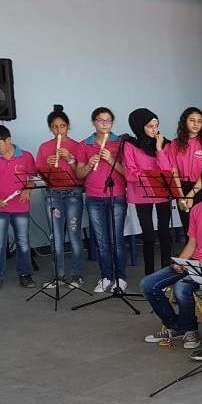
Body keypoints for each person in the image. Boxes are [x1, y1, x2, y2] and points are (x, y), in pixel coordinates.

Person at [139, 165, 202, 353]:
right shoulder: (196, 210)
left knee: (181, 287)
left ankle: (190, 331)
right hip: (193, 262)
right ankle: (176, 326)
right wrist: (180, 262)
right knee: (148, 284)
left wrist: (201, 263)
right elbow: (192, 243)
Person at [76, 107, 128, 292]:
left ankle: (120, 278)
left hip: (117, 196)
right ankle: (106, 276)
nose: (105, 124)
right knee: (101, 240)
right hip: (93, 197)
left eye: (108, 120)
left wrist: (111, 159)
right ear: (93, 122)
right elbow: (79, 174)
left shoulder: (120, 143)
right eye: (100, 120)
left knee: (116, 239)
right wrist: (89, 165)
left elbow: (128, 173)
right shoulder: (84, 145)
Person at [0, 124, 36, 291]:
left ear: (8, 140)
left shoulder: (26, 156)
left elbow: (33, 178)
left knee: (23, 242)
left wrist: (28, 188)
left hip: (21, 208)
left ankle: (25, 274)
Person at [35, 105, 84, 288]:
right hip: (52, 194)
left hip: (73, 193)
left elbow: (82, 174)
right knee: (55, 236)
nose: (59, 130)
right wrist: (46, 165)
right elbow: (38, 174)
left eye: (62, 126)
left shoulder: (77, 146)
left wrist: (70, 159)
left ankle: (77, 275)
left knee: (74, 234)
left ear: (68, 126)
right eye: (55, 127)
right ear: (50, 128)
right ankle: (58, 276)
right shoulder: (44, 147)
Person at [123, 108, 173, 276]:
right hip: (141, 194)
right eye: (150, 126)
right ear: (139, 126)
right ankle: (149, 274)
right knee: (148, 236)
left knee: (165, 233)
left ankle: (167, 272)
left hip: (162, 193)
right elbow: (130, 173)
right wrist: (152, 176)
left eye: (156, 125)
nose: (155, 130)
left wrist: (159, 149)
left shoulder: (165, 144)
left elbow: (166, 170)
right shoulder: (130, 145)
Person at [160, 107, 202, 237]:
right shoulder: (174, 144)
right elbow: (174, 171)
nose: (196, 124)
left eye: (199, 121)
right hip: (181, 187)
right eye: (192, 120)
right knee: (187, 228)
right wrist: (180, 196)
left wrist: (190, 195)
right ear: (184, 121)